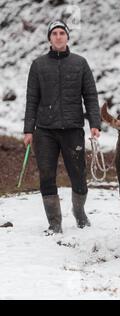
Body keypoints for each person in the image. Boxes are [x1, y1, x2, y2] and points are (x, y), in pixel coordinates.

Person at [23, 20, 101, 234]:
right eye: (54, 33)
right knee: (46, 175)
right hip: (45, 130)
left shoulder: (80, 63)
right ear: (49, 38)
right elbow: (32, 99)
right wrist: (28, 129)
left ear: (67, 37)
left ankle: (79, 211)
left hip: (73, 128)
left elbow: (91, 96)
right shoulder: (38, 65)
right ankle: (54, 223)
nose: (58, 36)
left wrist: (95, 123)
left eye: (62, 33)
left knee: (78, 175)